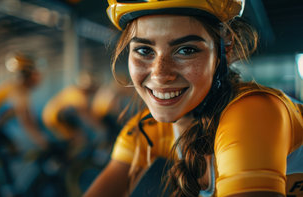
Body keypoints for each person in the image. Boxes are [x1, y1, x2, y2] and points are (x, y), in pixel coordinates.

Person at [85, 0, 303, 197]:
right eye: (144, 50)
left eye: (186, 50)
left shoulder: (254, 112)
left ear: (225, 50)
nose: (160, 74)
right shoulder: (148, 130)